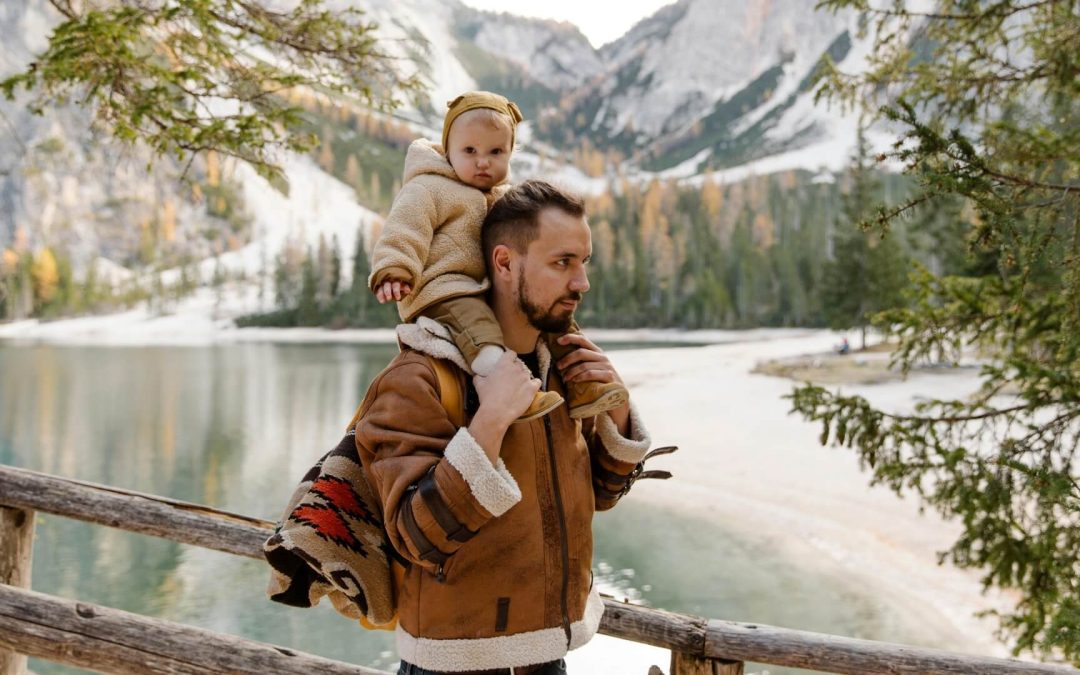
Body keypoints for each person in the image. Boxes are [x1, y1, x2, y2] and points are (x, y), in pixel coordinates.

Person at [354, 180, 653, 674]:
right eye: (563, 263)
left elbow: (599, 495)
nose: (581, 282)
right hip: (452, 665)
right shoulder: (421, 376)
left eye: (584, 262)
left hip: (546, 655)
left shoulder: (559, 367)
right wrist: (490, 421)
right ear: (505, 263)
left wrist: (616, 412)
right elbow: (415, 536)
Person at [367, 91, 628, 422]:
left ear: (510, 153)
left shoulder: (504, 199)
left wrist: (621, 421)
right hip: (444, 288)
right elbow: (405, 228)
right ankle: (502, 383)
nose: (482, 161)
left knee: (562, 325)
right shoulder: (428, 187)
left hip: (482, 288)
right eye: (470, 151)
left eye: (495, 152)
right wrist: (395, 268)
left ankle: (585, 388)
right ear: (448, 150)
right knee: (478, 327)